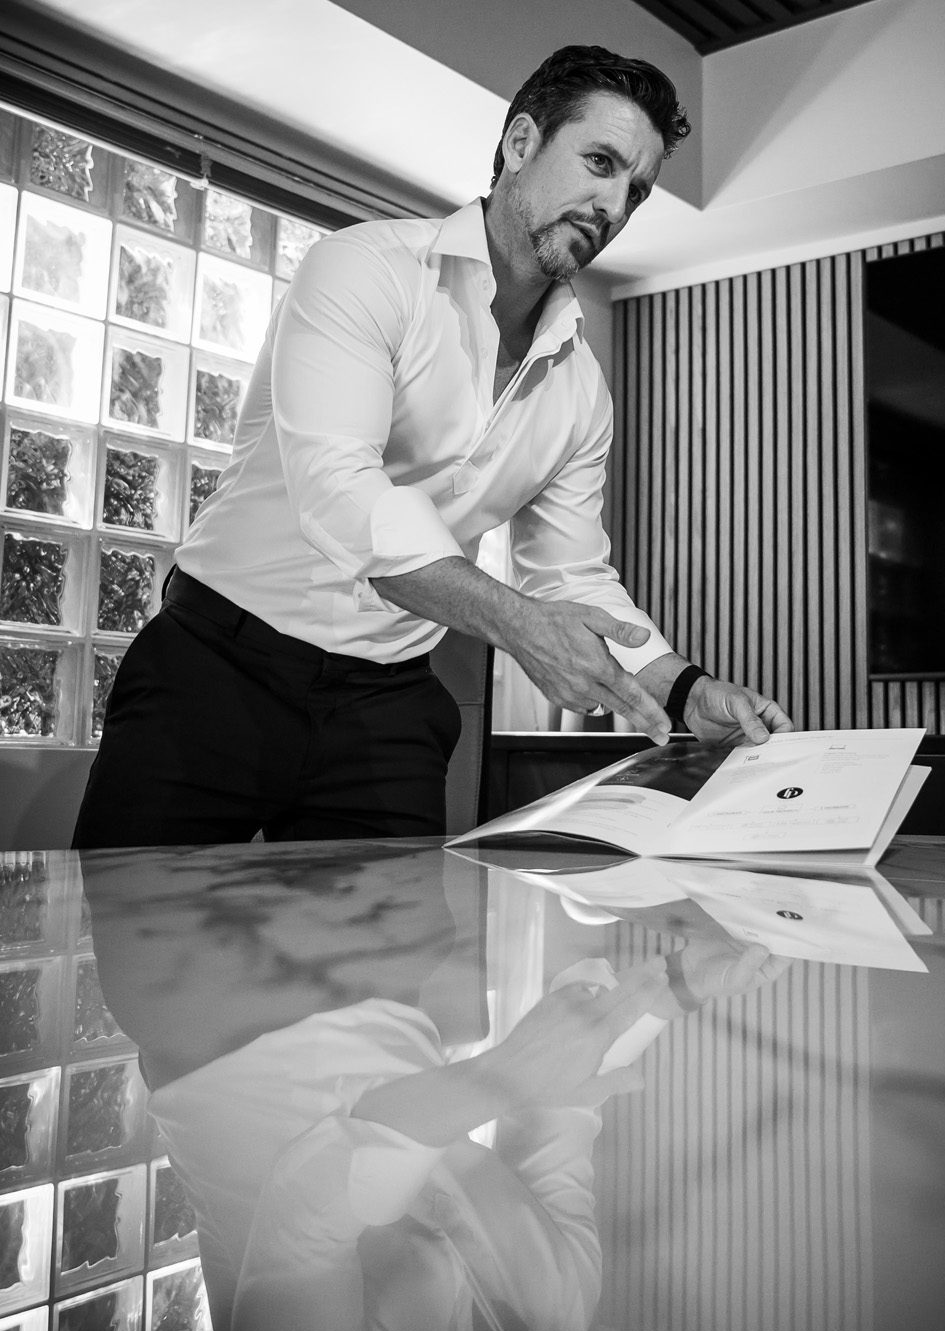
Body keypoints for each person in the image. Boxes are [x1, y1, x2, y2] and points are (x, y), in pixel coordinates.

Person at [73, 45, 791, 847]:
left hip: (386, 704)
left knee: (398, 933)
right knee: (134, 924)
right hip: (217, 668)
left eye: (636, 189)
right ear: (520, 142)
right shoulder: (364, 269)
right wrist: (518, 625)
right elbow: (343, 493)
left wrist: (684, 689)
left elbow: (570, 573)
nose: (613, 203)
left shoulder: (583, 389)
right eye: (599, 162)